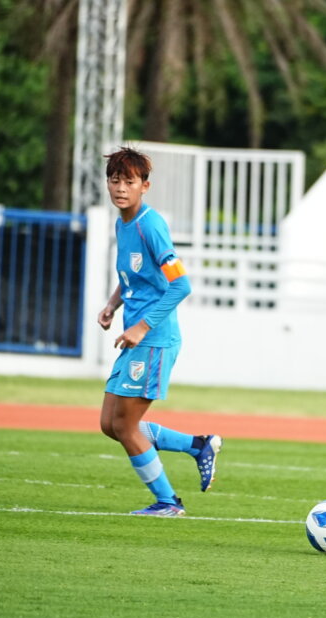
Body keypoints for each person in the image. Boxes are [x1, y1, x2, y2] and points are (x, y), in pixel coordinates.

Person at [97, 147, 222, 516]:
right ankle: (198, 445)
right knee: (110, 424)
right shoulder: (123, 223)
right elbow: (134, 277)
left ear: (145, 186)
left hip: (153, 339)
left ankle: (169, 502)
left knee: (125, 424)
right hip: (136, 336)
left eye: (129, 181)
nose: (121, 187)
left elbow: (181, 285)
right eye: (115, 180)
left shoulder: (150, 225)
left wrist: (140, 326)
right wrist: (112, 305)